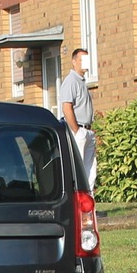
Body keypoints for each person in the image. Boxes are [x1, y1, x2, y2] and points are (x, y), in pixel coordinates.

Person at [59, 48, 97, 191]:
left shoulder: (81, 81)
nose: (85, 64)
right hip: (79, 131)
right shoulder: (71, 81)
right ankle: (78, 205)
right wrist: (76, 131)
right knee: (78, 170)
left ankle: (89, 207)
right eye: (82, 60)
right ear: (74, 62)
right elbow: (67, 107)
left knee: (90, 171)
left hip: (86, 130)